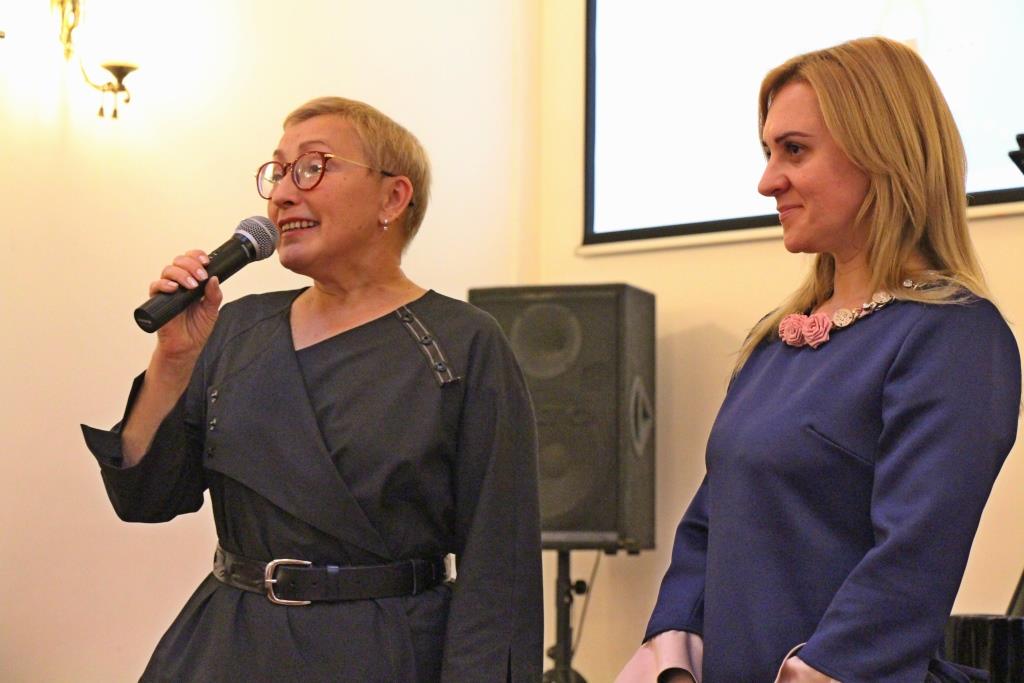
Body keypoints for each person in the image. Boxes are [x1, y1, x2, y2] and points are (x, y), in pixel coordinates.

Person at [81, 96, 543, 682]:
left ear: (392, 198)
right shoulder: (238, 326)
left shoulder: (461, 342)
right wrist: (172, 362)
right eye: (277, 172)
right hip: (229, 646)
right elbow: (145, 499)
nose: (281, 194)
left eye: (312, 167)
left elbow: (500, 565)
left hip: (385, 652)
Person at [616, 36, 1021, 682]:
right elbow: (707, 530)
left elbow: (912, 559)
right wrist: (675, 664)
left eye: (795, 150)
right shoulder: (772, 343)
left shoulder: (953, 337)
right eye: (768, 152)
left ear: (882, 153)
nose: (767, 181)